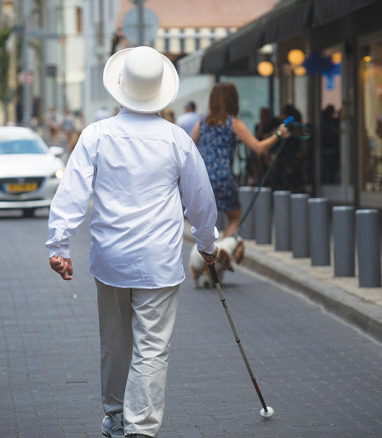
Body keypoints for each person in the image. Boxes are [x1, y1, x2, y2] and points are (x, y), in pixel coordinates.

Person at [46, 46, 219, 438]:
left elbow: (72, 191)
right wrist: (207, 246)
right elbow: (201, 202)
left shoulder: (97, 135)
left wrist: (59, 245)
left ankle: (114, 418)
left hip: (110, 259)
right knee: (152, 347)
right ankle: (140, 428)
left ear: (120, 88)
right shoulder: (177, 140)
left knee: (115, 341)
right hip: (159, 261)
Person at [191, 82, 289, 238]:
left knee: (205, 223)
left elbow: (188, 149)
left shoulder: (201, 123)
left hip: (201, 178)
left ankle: (205, 258)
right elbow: (258, 148)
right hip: (222, 177)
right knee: (234, 217)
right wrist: (278, 134)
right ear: (233, 100)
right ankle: (222, 254)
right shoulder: (233, 123)